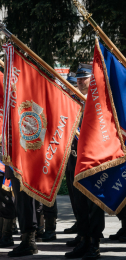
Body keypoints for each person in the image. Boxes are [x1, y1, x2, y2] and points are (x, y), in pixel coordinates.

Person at [65, 64, 105, 260]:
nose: (80, 81)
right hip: (74, 157)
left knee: (93, 204)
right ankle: (84, 240)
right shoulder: (74, 101)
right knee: (79, 203)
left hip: (92, 159)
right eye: (78, 79)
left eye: (84, 78)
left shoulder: (99, 102)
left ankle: (95, 244)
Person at [6, 166, 38, 257]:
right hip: (15, 166)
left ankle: (29, 242)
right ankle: (26, 241)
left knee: (25, 204)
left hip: (22, 166)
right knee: (21, 205)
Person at [63, 72, 80, 235]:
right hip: (70, 157)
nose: (70, 90)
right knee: (73, 194)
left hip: (82, 157)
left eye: (72, 87)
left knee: (82, 195)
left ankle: (88, 232)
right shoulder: (68, 105)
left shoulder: (85, 104)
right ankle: (80, 224)